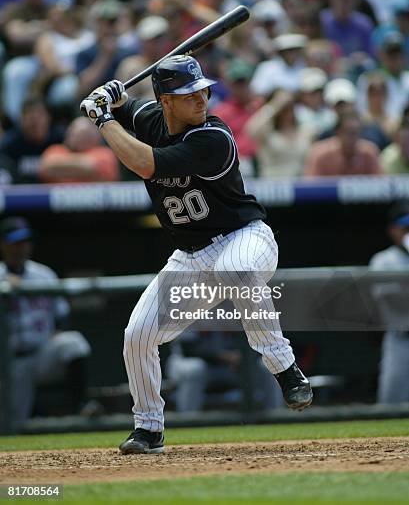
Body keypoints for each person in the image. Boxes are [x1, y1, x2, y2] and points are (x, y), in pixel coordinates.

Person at [80, 54, 313, 454]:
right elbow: (130, 106)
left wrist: (104, 119)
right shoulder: (152, 117)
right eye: (189, 94)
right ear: (166, 101)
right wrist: (113, 96)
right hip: (189, 258)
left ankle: (285, 369)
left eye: (202, 90)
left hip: (245, 237)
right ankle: (149, 427)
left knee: (237, 269)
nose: (201, 99)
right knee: (137, 335)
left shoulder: (214, 137)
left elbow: (145, 163)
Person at [0, 217, 91, 431]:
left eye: (25, 242)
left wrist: (55, 335)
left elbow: (61, 316)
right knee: (12, 426)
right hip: (10, 363)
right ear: (2, 245)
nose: (21, 248)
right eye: (15, 243)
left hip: (42, 355)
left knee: (72, 343)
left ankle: (82, 404)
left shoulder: (43, 274)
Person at [369, 202, 409, 404]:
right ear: (393, 230)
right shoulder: (384, 261)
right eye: (405, 228)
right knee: (391, 406)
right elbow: (395, 301)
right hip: (400, 341)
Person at [38, 116, 119, 183]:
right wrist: (83, 167)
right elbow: (45, 168)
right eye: (73, 133)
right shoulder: (55, 150)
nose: (76, 137)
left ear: (95, 137)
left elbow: (93, 167)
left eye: (83, 134)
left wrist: (61, 167)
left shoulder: (105, 154)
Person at [304, 110, 382, 177]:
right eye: (349, 132)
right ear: (338, 133)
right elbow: (310, 188)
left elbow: (380, 186)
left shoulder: (369, 153)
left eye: (356, 132)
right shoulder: (320, 155)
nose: (353, 138)